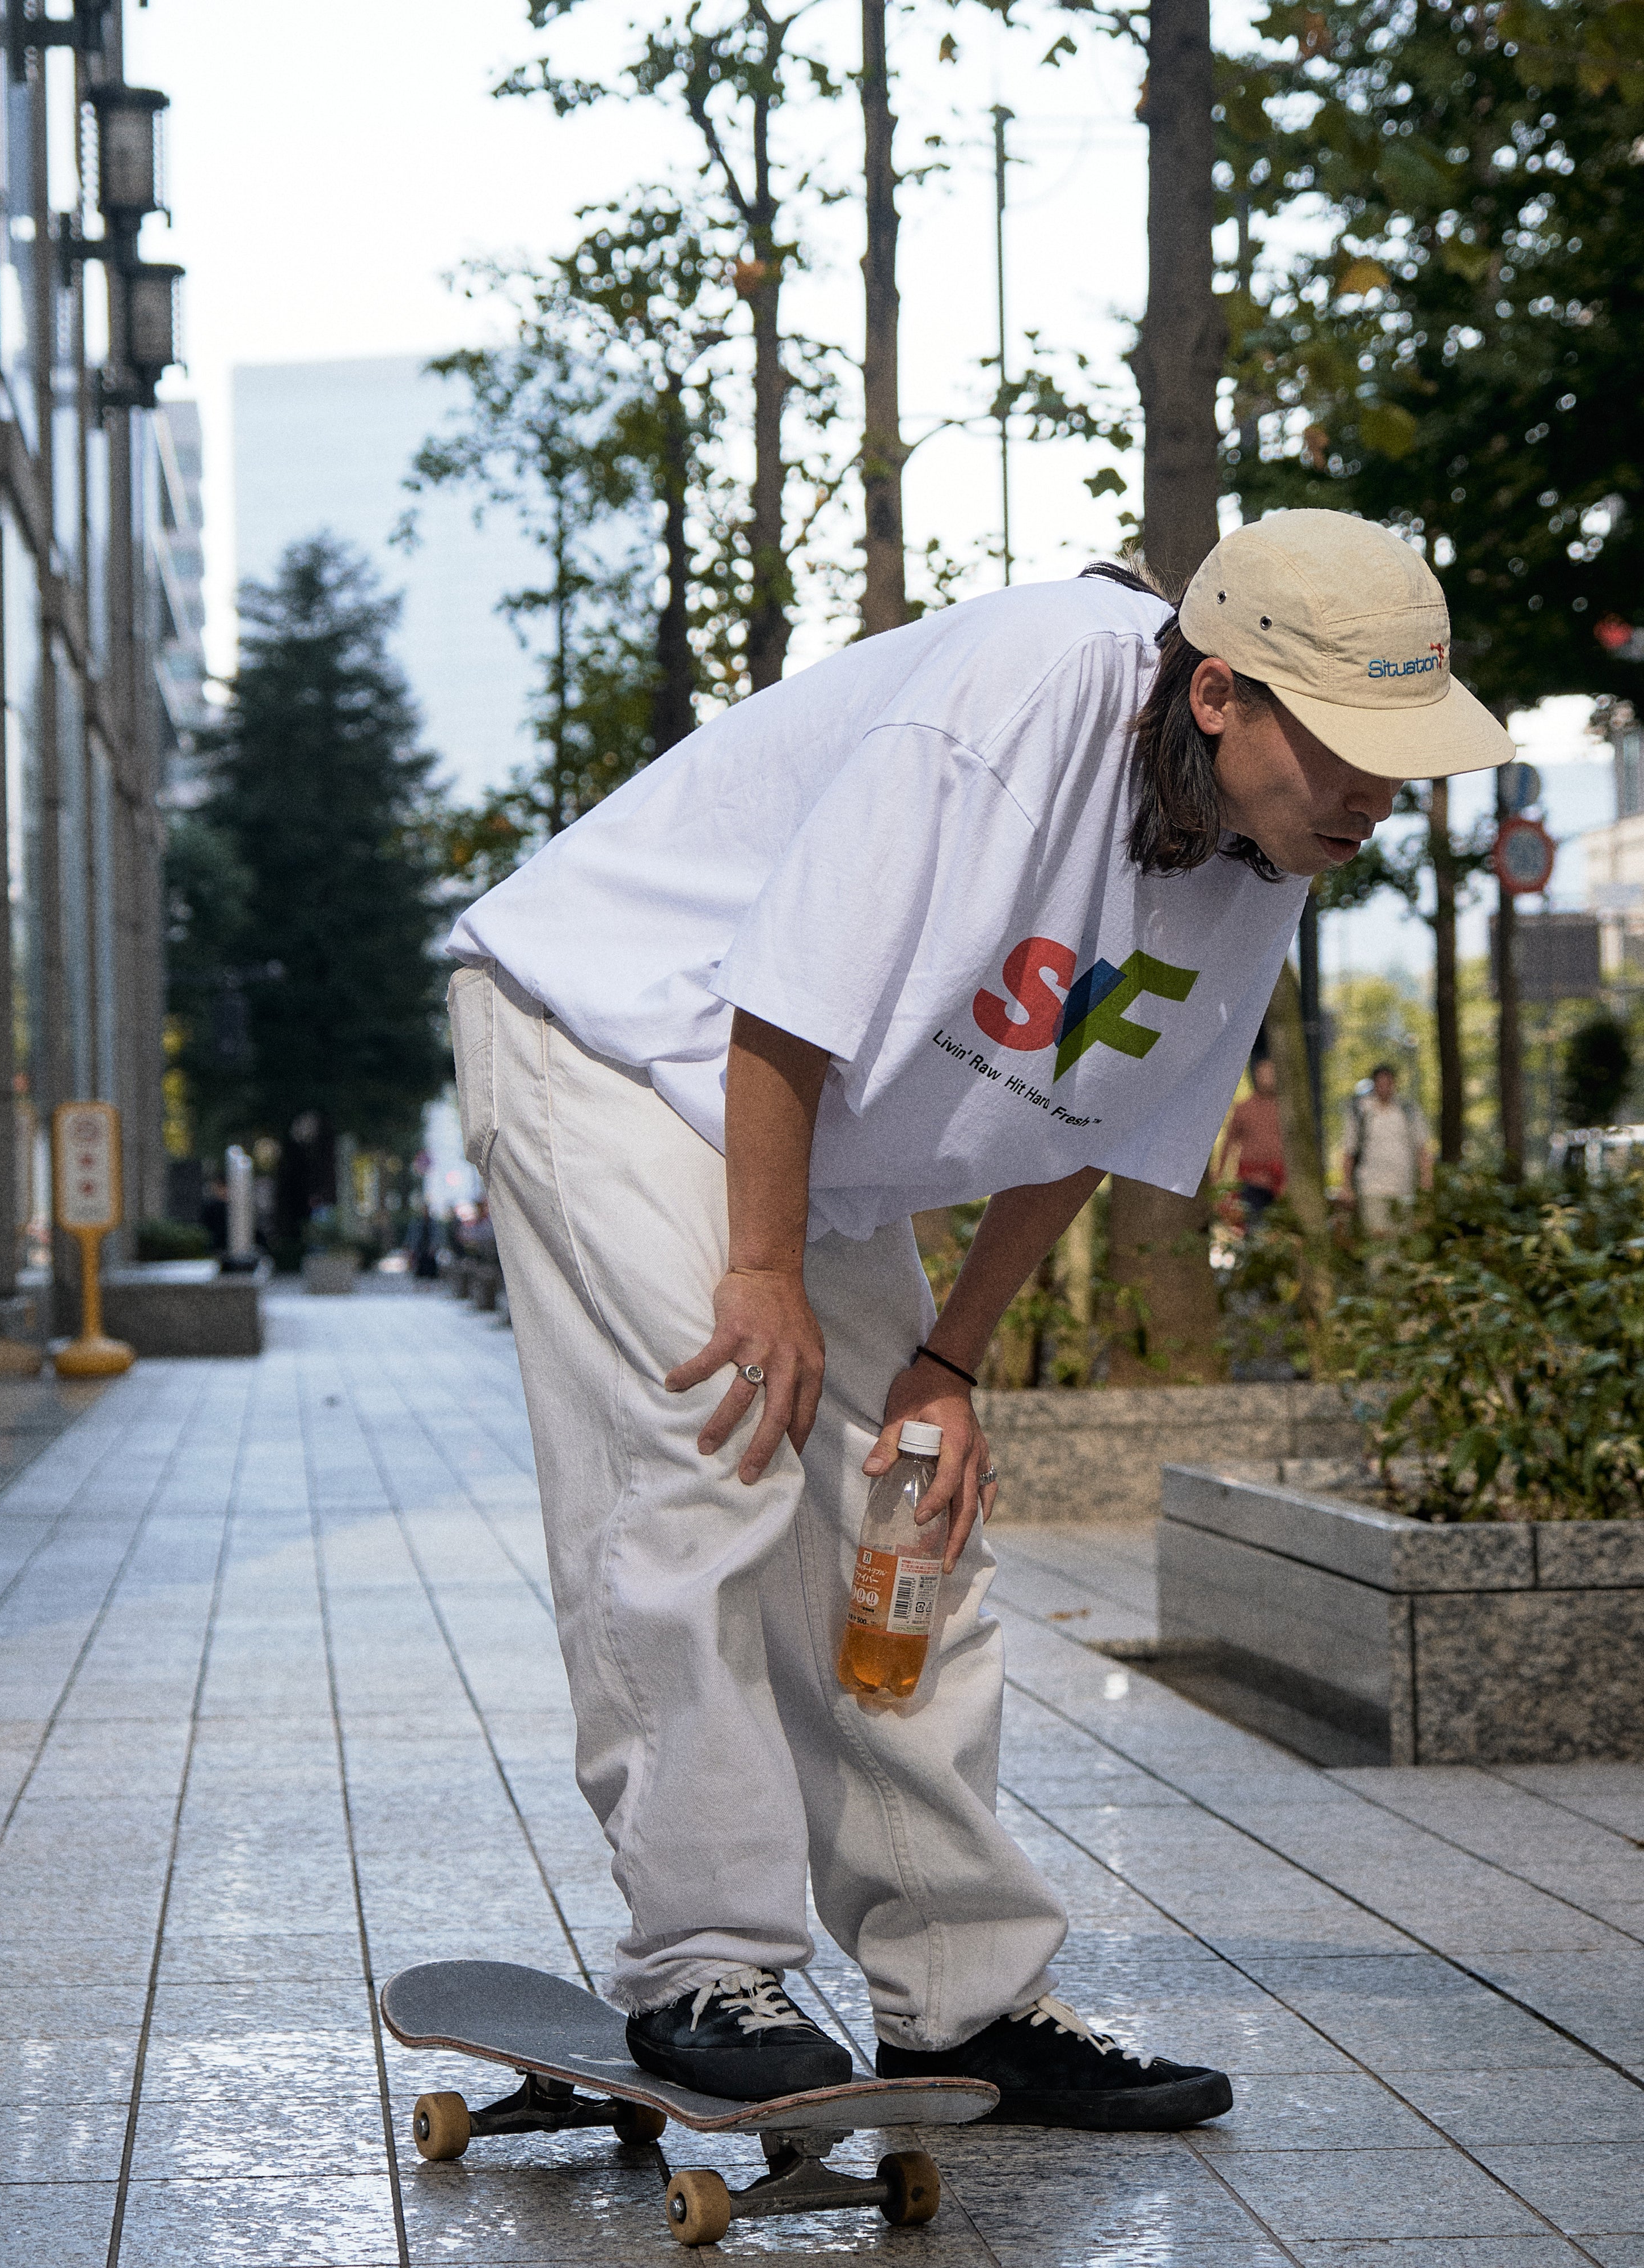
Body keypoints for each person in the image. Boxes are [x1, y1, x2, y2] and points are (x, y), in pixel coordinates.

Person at [446, 509, 1509, 2128]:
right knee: (708, 1462)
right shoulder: (1014, 699)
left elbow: (1096, 1111)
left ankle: (963, 1997)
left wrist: (947, 1366)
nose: (1380, 794)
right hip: (624, 1036)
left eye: (1404, 754)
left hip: (795, 1120)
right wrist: (760, 1274)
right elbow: (785, 992)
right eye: (1352, 748)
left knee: (903, 1526)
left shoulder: (1271, 849)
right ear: (1219, 695)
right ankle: (704, 1963)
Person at [1342, 1063, 1434, 1238]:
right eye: (1380, 1082)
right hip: (1371, 1188)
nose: (1384, 1087)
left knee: (1402, 1239)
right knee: (1377, 1240)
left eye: (1388, 1082)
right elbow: (1349, 1150)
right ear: (1374, 1084)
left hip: (1404, 1188)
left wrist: (1426, 1178)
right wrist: (1346, 1186)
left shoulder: (1408, 1111)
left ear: (1394, 1084)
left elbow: (1422, 1149)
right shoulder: (1361, 1111)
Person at [1219, 1054, 1286, 1225]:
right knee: (1254, 1226)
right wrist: (1219, 1177)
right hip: (1252, 1180)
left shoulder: (1286, 1110)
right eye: (1264, 1074)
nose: (1267, 1078)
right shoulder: (1243, 1109)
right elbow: (1229, 1143)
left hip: (1282, 1181)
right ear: (1256, 1076)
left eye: (1271, 1074)